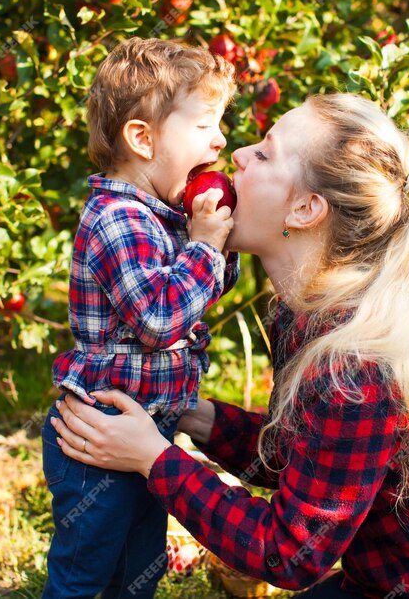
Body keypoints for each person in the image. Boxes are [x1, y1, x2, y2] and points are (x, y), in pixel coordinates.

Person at [50, 93, 409, 598]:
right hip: (400, 578)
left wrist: (154, 459)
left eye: (265, 155)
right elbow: (309, 463)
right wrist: (193, 416)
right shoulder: (305, 315)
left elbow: (289, 552)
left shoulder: (356, 362)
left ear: (305, 210)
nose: (237, 155)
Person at [40, 37, 240, 599]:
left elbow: (202, 293)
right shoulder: (116, 220)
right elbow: (159, 318)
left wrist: (219, 241)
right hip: (97, 443)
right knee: (85, 573)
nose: (221, 140)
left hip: (145, 435)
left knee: (138, 572)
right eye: (205, 126)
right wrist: (203, 246)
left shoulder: (163, 217)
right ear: (143, 138)